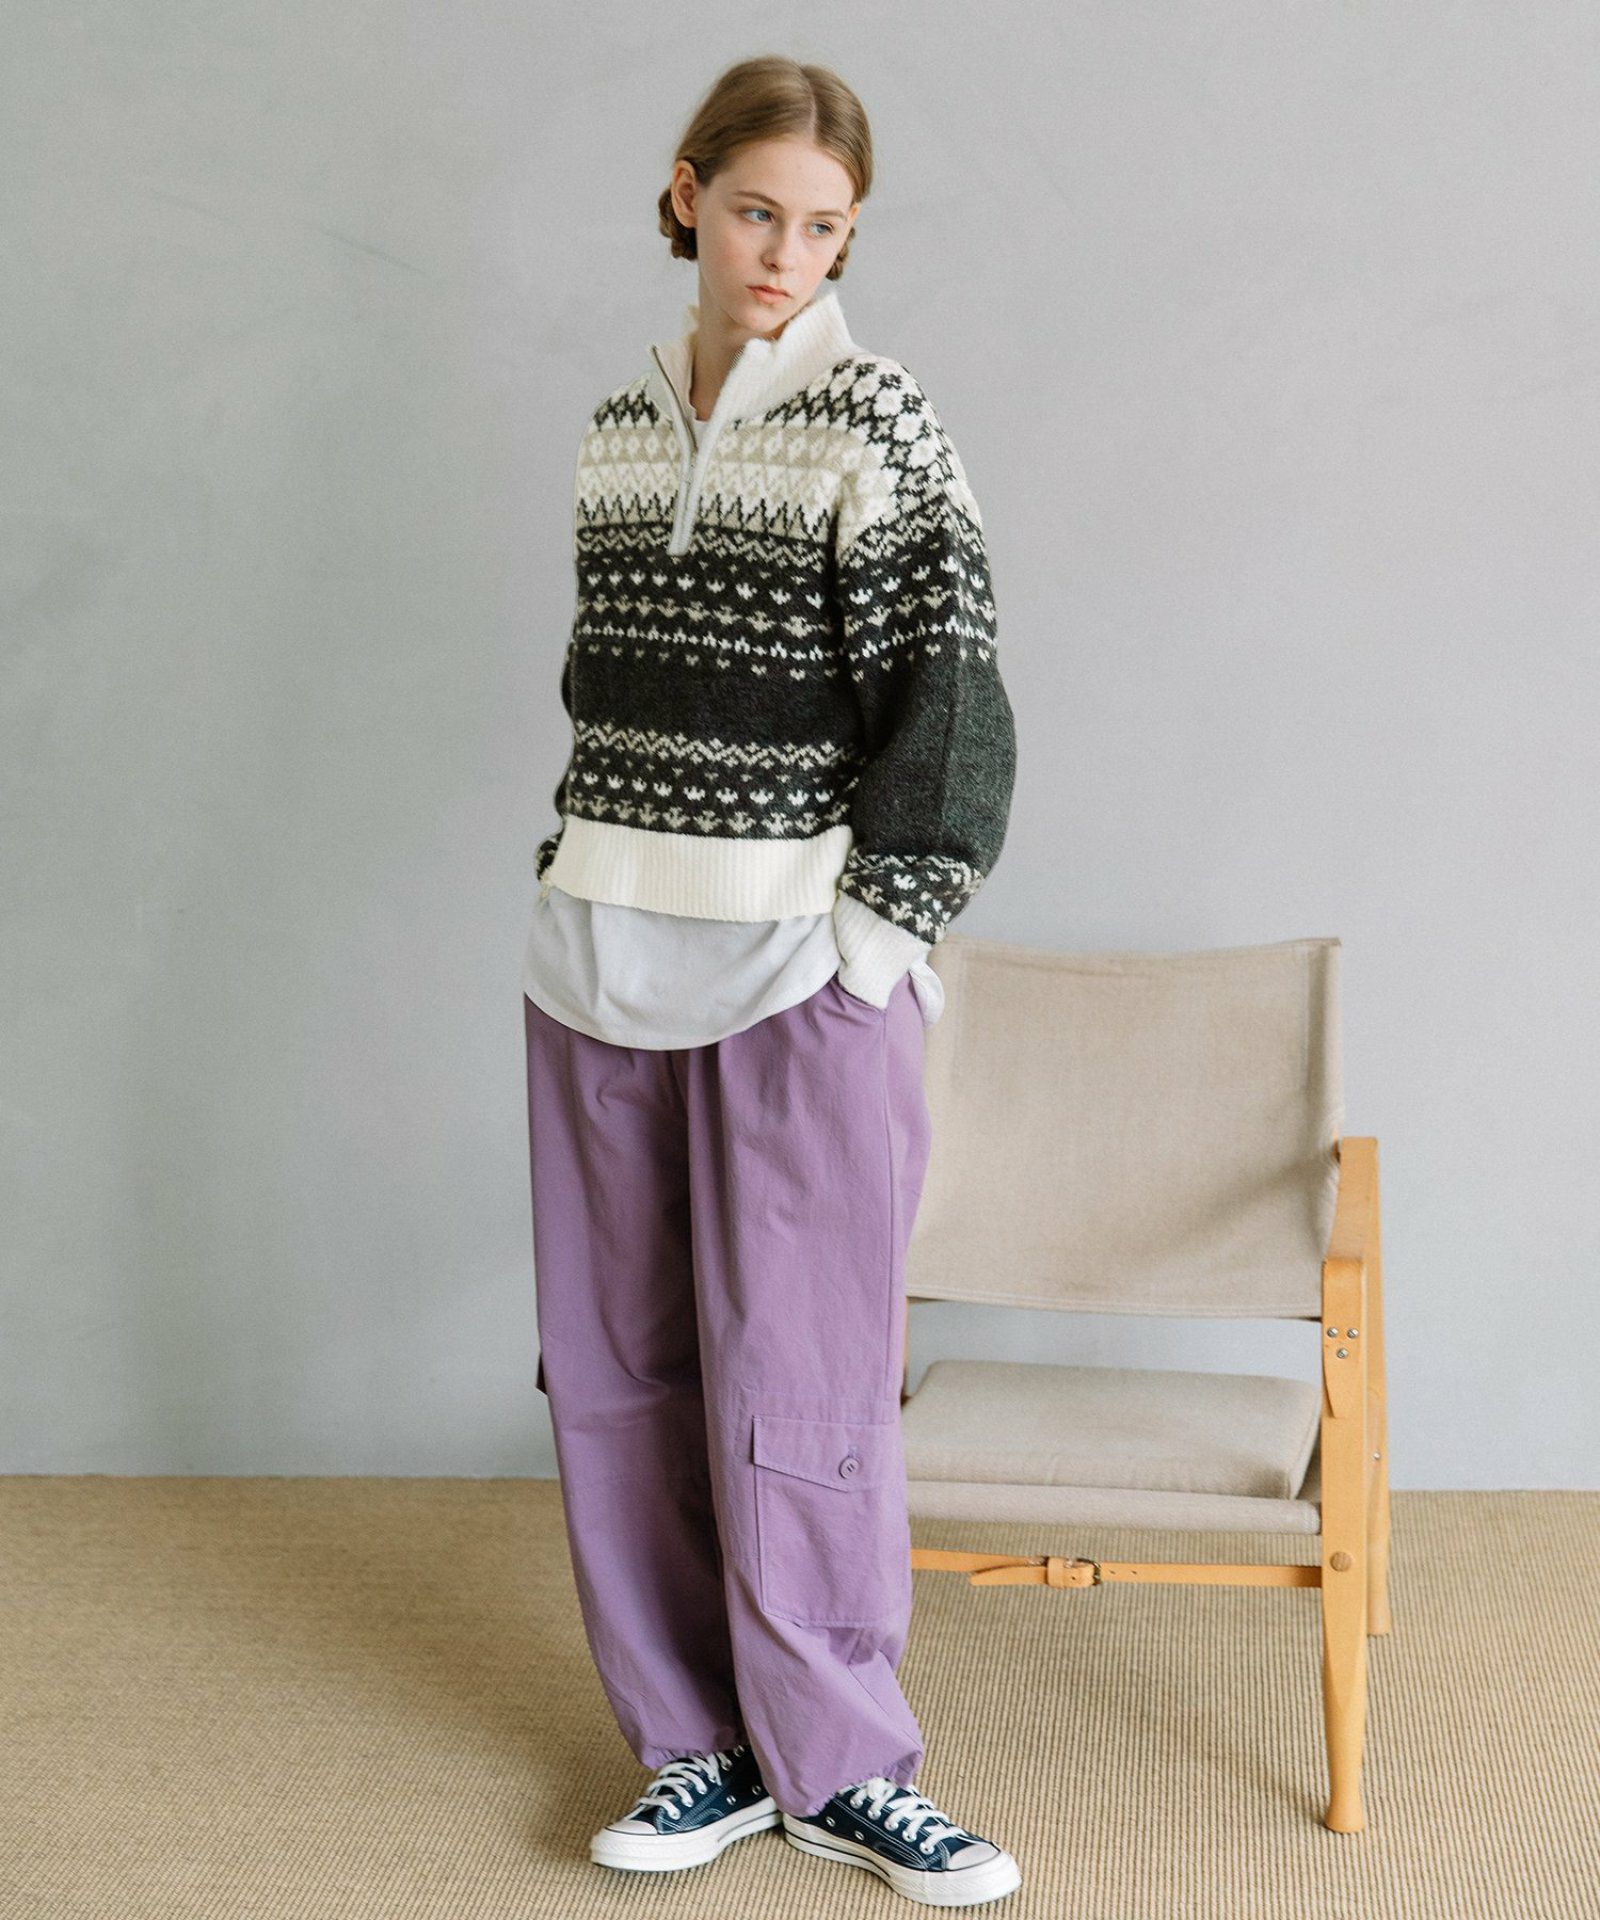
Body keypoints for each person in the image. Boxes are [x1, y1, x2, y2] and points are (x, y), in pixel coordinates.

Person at [521, 54, 1021, 1909]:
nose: (784, 256)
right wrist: (568, 867)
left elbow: (952, 707)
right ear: (686, 196)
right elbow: (603, 691)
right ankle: (695, 1748)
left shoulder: (881, 422)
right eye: (756, 213)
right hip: (595, 956)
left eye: (823, 228)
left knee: (803, 1378)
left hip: (799, 969)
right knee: (616, 1372)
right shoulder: (615, 428)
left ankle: (844, 1764)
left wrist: (877, 938)